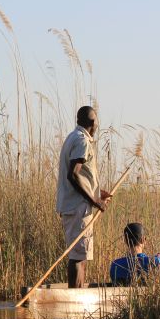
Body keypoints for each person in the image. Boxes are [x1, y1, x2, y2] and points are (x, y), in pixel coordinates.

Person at [56, 106, 112, 288]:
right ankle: (75, 299)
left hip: (74, 205)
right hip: (78, 208)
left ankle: (76, 296)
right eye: (96, 121)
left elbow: (80, 176)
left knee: (79, 255)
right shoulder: (82, 141)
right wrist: (94, 201)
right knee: (78, 257)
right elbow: (72, 175)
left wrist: (97, 192)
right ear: (92, 123)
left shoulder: (72, 137)